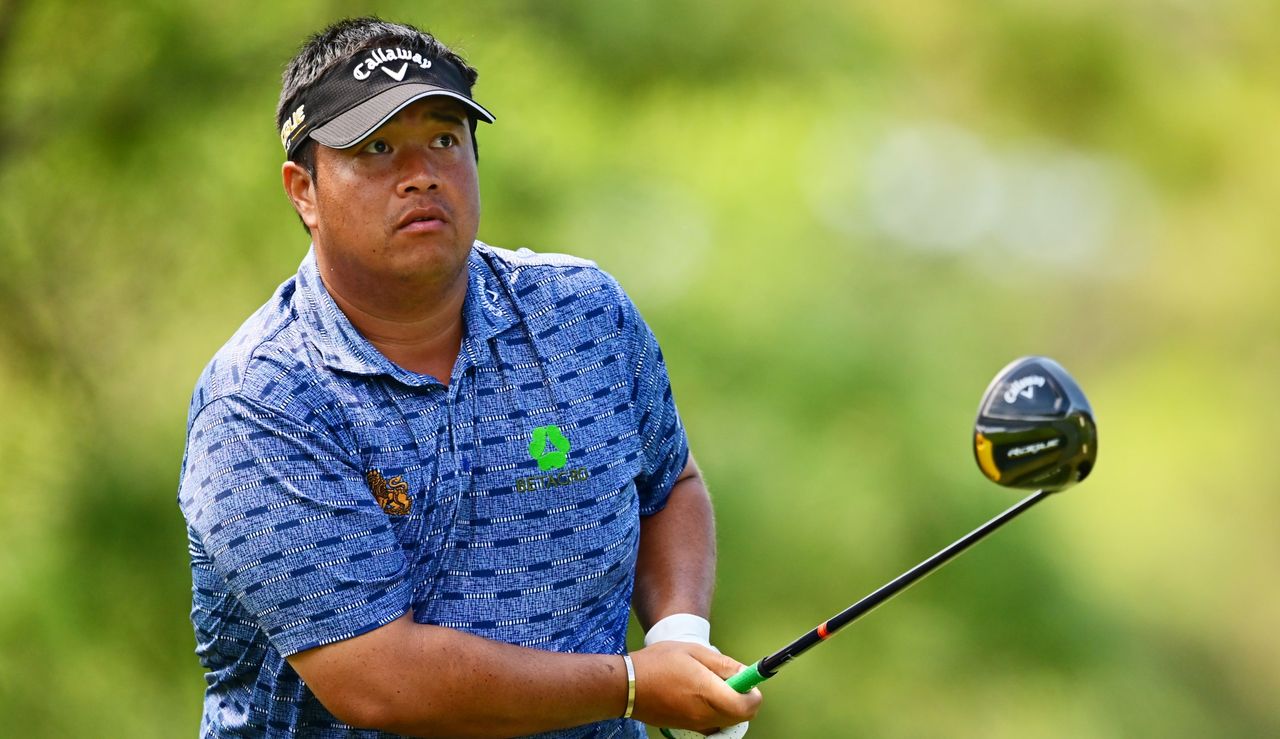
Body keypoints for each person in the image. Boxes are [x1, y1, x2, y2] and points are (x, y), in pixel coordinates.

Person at [177, 16, 761, 738]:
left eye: (445, 141)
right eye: (377, 148)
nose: (420, 172)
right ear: (304, 191)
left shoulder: (583, 313)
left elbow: (668, 482)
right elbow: (379, 680)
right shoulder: (262, 400)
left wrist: (679, 632)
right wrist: (635, 684)